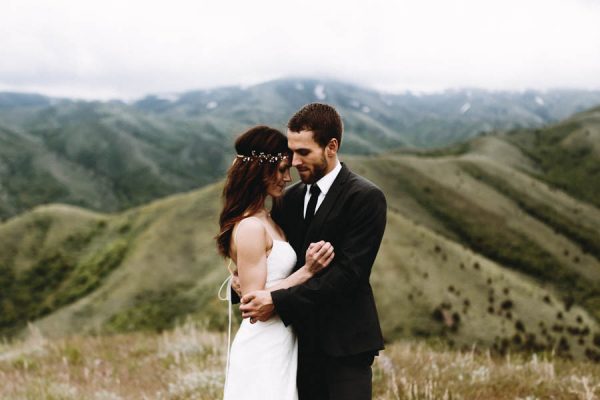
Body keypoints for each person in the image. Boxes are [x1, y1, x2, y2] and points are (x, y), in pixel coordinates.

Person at [240, 103, 387, 400]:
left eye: (303, 152)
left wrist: (277, 300)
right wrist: (243, 287)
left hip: (345, 347)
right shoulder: (288, 199)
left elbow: (349, 275)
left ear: (331, 147)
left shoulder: (365, 197)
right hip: (298, 346)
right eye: (291, 151)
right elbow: (276, 259)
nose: (293, 162)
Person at [216, 125, 335, 400]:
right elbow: (257, 305)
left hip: (284, 339)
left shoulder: (269, 218)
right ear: (259, 170)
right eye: (281, 169)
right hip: (264, 343)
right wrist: (307, 271)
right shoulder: (250, 227)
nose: (287, 177)